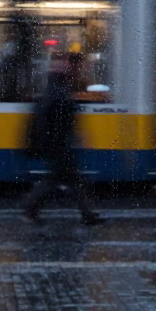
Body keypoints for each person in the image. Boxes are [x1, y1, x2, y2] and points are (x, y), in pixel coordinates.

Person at [22, 53, 103, 226]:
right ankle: (30, 208)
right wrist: (76, 135)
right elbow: (62, 115)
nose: (79, 70)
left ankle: (87, 214)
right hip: (58, 143)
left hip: (56, 142)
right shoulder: (60, 89)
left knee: (68, 179)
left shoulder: (56, 86)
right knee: (62, 180)